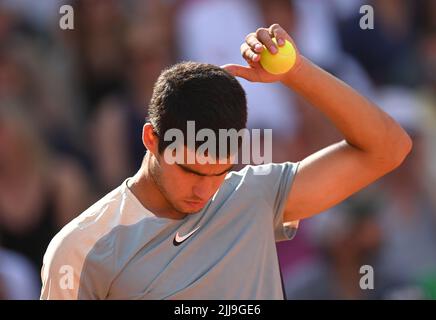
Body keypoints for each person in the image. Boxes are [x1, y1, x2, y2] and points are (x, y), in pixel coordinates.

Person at [40, 24, 412, 299]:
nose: (205, 190)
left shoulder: (254, 195)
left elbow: (389, 148)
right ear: (151, 139)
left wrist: (295, 72)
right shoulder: (80, 249)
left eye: (221, 171)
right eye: (189, 169)